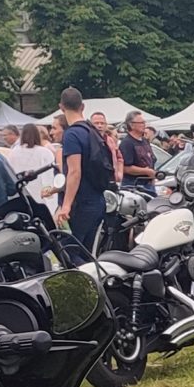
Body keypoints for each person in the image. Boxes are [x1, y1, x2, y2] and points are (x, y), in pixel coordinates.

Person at [54, 88, 112, 259]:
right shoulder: (92, 130)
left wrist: (66, 205)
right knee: (87, 253)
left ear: (61, 107)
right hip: (98, 199)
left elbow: (74, 172)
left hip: (81, 203)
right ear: (83, 106)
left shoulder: (72, 134)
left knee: (68, 253)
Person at [117, 112, 159, 195]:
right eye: (141, 123)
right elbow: (125, 167)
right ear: (131, 125)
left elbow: (151, 160)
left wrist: (152, 176)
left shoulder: (145, 141)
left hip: (148, 185)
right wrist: (146, 171)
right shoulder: (127, 143)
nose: (144, 125)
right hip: (133, 186)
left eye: (144, 122)